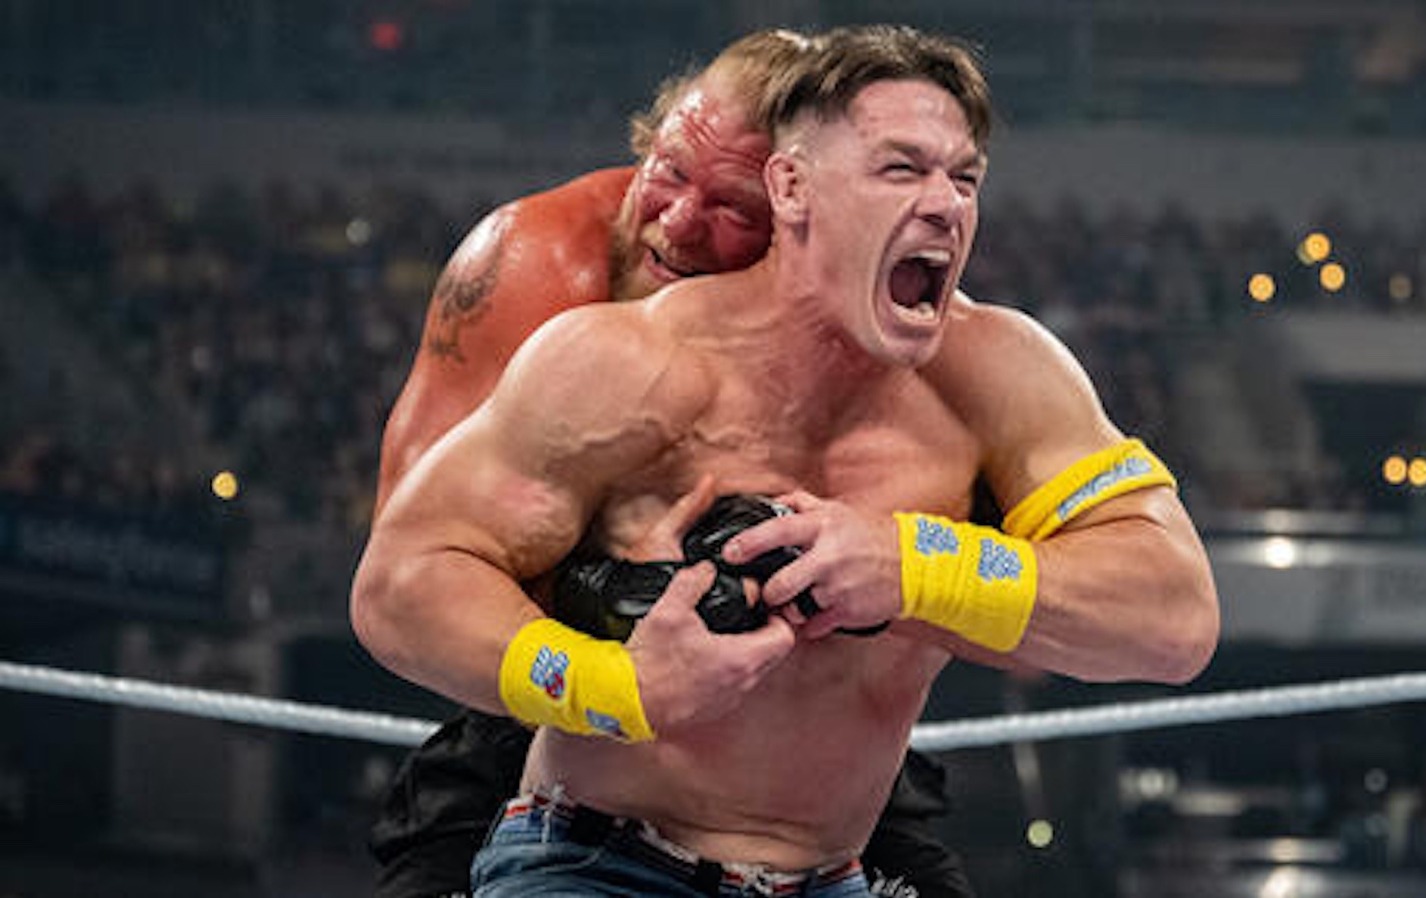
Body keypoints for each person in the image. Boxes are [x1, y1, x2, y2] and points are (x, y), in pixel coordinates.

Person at [352, 23, 1219, 897]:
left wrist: (914, 563)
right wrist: (613, 677)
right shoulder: (616, 350)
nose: (944, 205)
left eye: (963, 179)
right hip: (597, 860)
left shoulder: (999, 374)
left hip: (834, 873)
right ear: (793, 188)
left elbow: (1176, 616)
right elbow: (401, 580)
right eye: (901, 170)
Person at [367, 29, 972, 898]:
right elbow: (415, 555)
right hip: (549, 719)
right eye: (670, 169)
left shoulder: (883, 322)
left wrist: (916, 568)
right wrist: (618, 614)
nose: (678, 220)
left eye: (731, 207)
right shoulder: (541, 263)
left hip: (805, 761)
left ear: (799, 218)